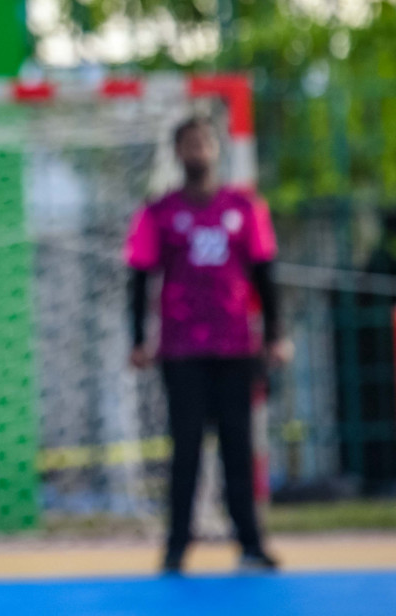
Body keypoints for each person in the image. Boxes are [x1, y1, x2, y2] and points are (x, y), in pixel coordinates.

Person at [125, 115, 291, 574]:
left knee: (239, 449)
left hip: (237, 346)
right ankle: (177, 546)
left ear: (217, 149)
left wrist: (275, 334)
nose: (197, 150)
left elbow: (265, 273)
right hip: (181, 350)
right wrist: (138, 339)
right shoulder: (158, 212)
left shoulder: (245, 206)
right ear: (177, 153)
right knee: (186, 450)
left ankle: (251, 544)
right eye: (188, 143)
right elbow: (139, 276)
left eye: (204, 142)